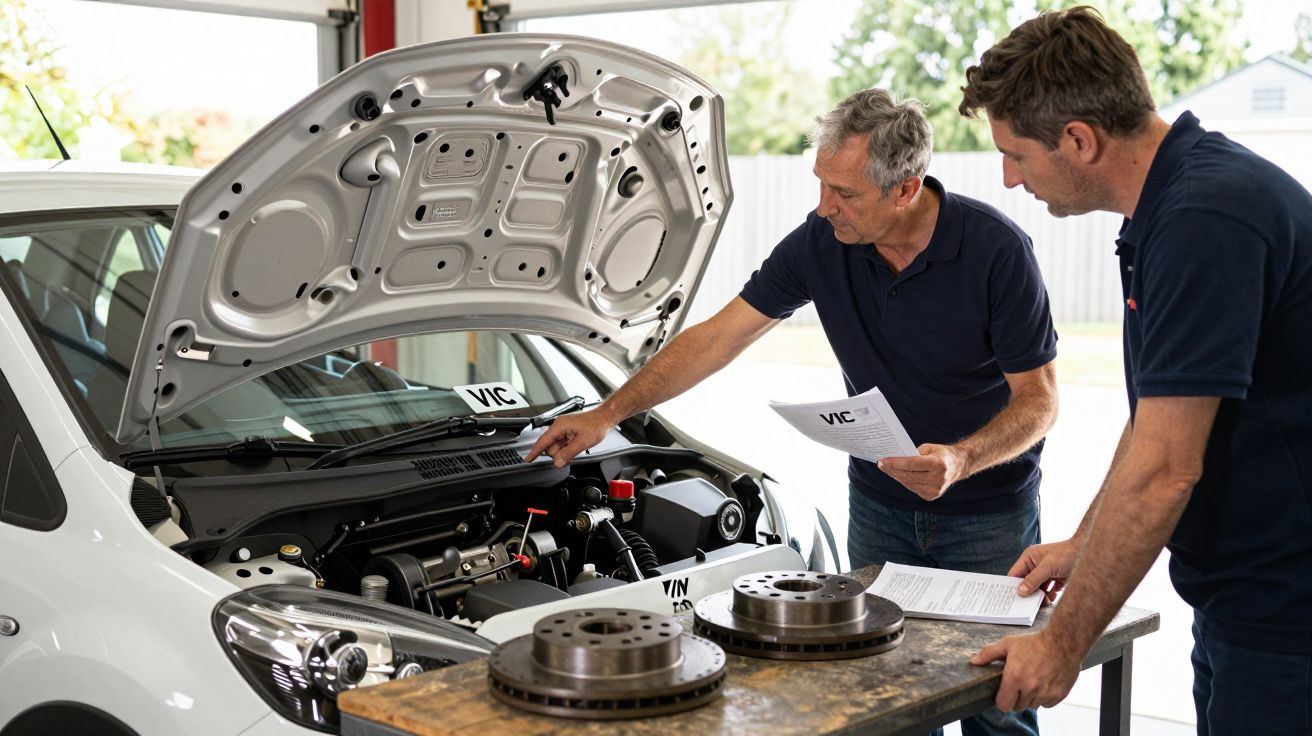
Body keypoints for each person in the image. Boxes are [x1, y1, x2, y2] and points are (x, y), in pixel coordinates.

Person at [528, 87, 1058, 736]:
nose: (823, 206)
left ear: (905, 189)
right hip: (881, 509)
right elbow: (721, 335)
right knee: (885, 697)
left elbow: (1040, 399)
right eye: (821, 185)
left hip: (990, 518)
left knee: (999, 705)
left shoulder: (997, 252)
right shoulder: (821, 242)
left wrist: (960, 457)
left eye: (844, 193)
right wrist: (609, 412)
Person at [959, 7, 1312, 734]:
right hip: (1243, 603)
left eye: (1016, 154)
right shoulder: (1171, 207)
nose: (1008, 177)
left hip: (1291, 614)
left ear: (1079, 140)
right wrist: (1082, 546)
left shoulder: (1205, 217)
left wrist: (1062, 644)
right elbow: (1158, 421)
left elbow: (1164, 470)